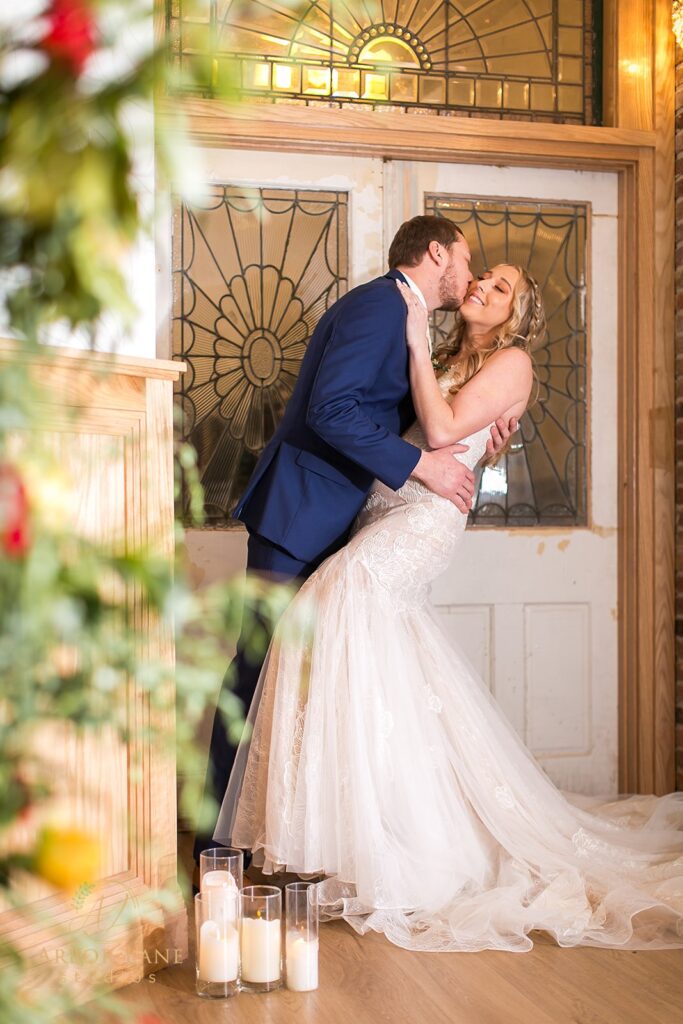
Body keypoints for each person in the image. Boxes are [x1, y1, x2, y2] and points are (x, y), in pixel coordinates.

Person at [213, 263, 683, 952]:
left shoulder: (511, 363)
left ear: (515, 318)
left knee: (333, 603)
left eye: (497, 289)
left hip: (421, 523)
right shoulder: (447, 355)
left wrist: (410, 332)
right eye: (482, 278)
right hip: (379, 511)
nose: (480, 289)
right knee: (375, 661)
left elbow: (437, 434)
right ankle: (363, 831)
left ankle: (386, 848)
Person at [192, 216, 516, 877]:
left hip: (336, 518)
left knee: (303, 680)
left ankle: (302, 831)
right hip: (298, 514)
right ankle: (213, 846)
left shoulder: (414, 321)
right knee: (253, 676)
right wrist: (419, 465)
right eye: (466, 258)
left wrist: (489, 421)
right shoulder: (380, 307)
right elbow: (331, 412)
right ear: (437, 253)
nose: (471, 272)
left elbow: (396, 414)